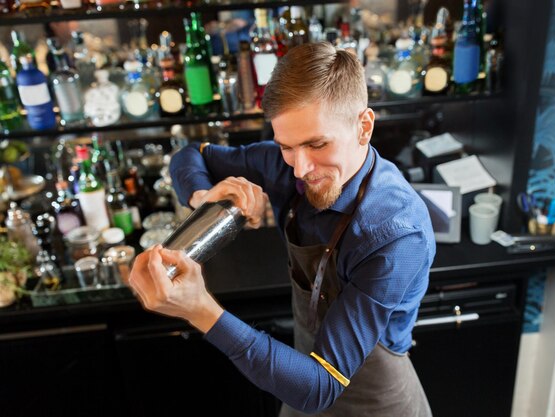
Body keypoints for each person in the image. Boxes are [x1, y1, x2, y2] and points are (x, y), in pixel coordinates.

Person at [128, 41, 436, 417]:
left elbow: (321, 388)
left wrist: (200, 309)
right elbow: (189, 155)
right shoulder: (284, 164)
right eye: (287, 146)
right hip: (300, 371)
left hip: (373, 394)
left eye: (317, 144)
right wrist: (204, 196)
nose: (301, 169)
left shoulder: (395, 234)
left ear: (363, 127)